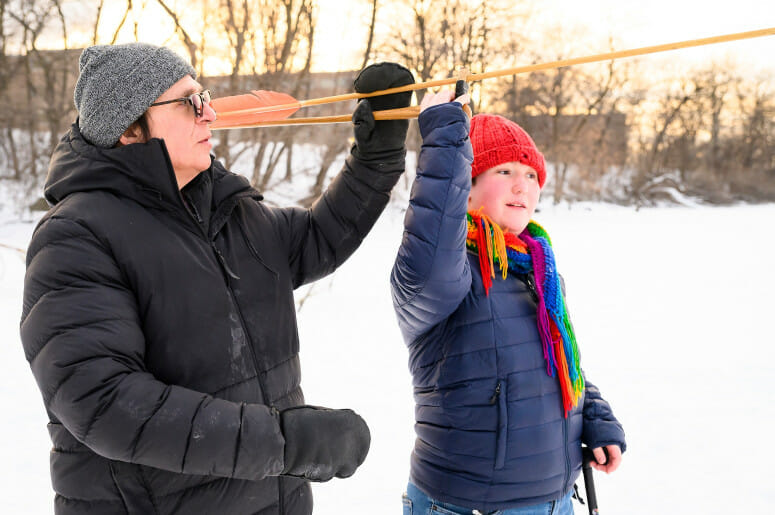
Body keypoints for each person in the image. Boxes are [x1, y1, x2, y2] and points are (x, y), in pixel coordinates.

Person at [20, 42, 414, 514]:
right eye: (190, 102)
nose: (210, 114)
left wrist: (376, 159)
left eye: (205, 97)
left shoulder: (228, 208)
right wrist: (284, 442)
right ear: (129, 128)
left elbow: (317, 239)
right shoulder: (76, 237)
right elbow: (105, 402)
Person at [390, 90, 626, 514]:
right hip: (469, 505)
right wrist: (445, 139)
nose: (522, 185)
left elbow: (555, 364)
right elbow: (435, 229)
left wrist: (593, 415)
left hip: (553, 501)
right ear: (466, 186)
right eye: (504, 170)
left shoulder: (538, 268)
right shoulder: (444, 271)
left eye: (531, 175)